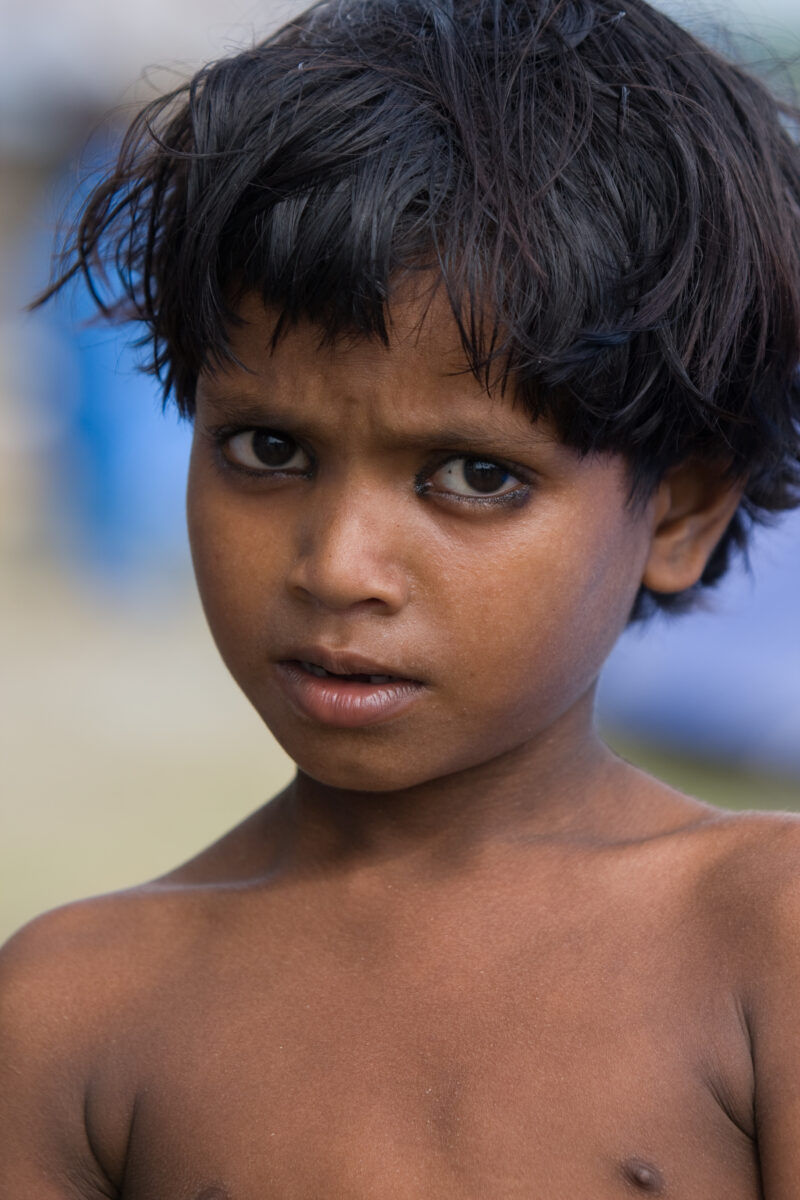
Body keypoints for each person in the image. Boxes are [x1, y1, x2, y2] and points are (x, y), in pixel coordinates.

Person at [2, 0, 800, 1192]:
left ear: (677, 514)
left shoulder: (761, 941)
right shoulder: (77, 1015)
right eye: (267, 449)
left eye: (473, 476)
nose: (335, 565)